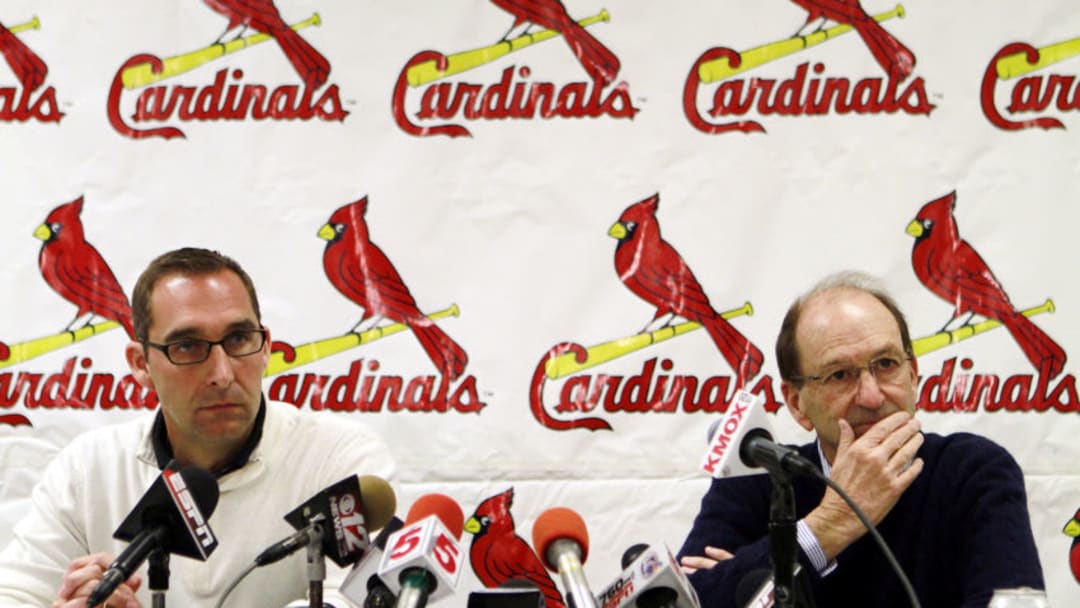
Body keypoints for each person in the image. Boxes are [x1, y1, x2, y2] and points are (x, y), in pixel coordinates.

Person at [0, 247, 397, 607]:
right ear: (141, 364)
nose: (222, 374)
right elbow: (14, 594)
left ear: (266, 349)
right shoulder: (87, 470)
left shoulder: (341, 460)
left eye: (239, 339)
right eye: (187, 346)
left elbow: (356, 601)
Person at [678, 271, 1044, 607]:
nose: (871, 396)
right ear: (796, 403)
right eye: (840, 375)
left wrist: (753, 579)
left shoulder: (972, 472)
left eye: (885, 364)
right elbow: (686, 602)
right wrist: (827, 526)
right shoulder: (759, 481)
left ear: (913, 375)